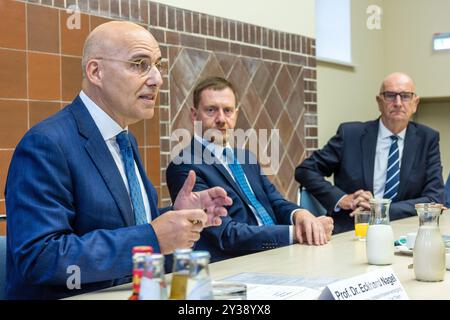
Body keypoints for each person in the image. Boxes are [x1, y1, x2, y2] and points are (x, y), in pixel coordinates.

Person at [4, 21, 232, 300]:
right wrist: (153, 237)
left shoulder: (125, 140)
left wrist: (175, 216)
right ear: (96, 72)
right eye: (139, 64)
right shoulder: (46, 144)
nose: (157, 79)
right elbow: (40, 258)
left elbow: (122, 225)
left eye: (157, 66)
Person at [166, 77, 334, 262]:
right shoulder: (185, 166)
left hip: (278, 255)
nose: (221, 119)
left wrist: (301, 215)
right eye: (211, 110)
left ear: (236, 114)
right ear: (194, 114)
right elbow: (225, 235)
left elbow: (275, 201)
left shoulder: (246, 158)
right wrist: (295, 233)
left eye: (228, 110)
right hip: (235, 265)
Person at [295, 72, 444, 234]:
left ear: (415, 103)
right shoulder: (350, 135)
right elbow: (305, 170)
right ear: (379, 102)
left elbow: (434, 198)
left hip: (405, 231)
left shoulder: (427, 139)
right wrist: (341, 198)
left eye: (406, 96)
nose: (398, 103)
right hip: (352, 229)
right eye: (390, 95)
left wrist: (380, 209)